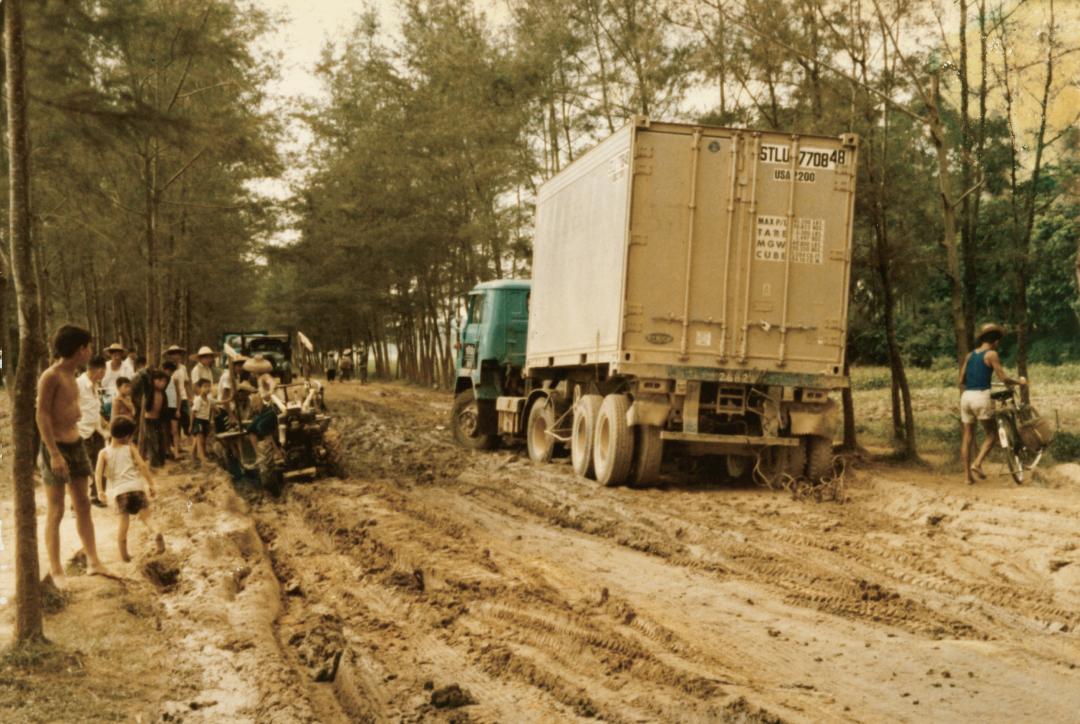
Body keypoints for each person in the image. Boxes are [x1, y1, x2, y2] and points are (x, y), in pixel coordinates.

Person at [36, 325, 109, 582]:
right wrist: (54, 454)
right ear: (80, 350)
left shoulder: (74, 376)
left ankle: (93, 560)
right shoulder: (51, 376)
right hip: (55, 446)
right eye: (88, 347)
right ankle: (56, 569)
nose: (90, 351)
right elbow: (42, 414)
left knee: (83, 505)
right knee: (56, 510)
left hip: (76, 442)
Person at [960, 323, 1028, 485]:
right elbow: (1003, 378)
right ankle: (977, 463)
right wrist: (1020, 381)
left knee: (968, 435)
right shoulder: (991, 354)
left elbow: (961, 380)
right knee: (992, 435)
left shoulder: (970, 355)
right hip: (980, 397)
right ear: (995, 341)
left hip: (966, 397)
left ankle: (967, 477)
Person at [95, 417, 164, 562]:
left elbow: (98, 474)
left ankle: (124, 555)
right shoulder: (130, 449)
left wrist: (100, 490)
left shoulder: (103, 453)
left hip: (120, 492)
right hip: (137, 487)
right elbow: (143, 466)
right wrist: (151, 484)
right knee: (146, 517)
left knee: (123, 522)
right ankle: (157, 533)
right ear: (127, 436)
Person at [77, 355, 110, 508]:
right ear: (99, 370)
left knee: (101, 464)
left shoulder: (95, 386)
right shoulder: (78, 385)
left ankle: (97, 495)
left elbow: (94, 409)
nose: (104, 375)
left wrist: (105, 423)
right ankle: (77, 501)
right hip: (82, 432)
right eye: (103, 372)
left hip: (96, 431)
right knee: (82, 468)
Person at [143, 370, 170, 468]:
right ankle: (154, 463)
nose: (162, 383)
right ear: (154, 381)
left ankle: (161, 461)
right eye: (159, 380)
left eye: (164, 381)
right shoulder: (150, 391)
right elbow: (144, 377)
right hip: (149, 419)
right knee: (152, 440)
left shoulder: (163, 393)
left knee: (161, 440)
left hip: (159, 419)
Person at [166, 345, 191, 443]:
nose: (175, 356)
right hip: (171, 399)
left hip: (183, 397)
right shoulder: (167, 368)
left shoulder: (183, 368)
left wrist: (191, 397)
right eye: (172, 354)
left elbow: (186, 383)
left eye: (177, 353)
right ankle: (176, 446)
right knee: (174, 425)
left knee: (186, 420)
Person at [190, 378, 215, 463]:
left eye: (209, 387)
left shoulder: (209, 400)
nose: (207, 389)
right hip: (198, 420)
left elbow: (217, 403)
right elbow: (193, 412)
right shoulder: (198, 399)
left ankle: (193, 456)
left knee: (200, 440)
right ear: (199, 388)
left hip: (205, 421)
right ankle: (202, 457)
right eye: (205, 386)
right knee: (200, 440)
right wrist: (191, 425)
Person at [101, 343, 126, 415]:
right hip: (106, 395)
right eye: (114, 355)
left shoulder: (127, 367)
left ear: (121, 355)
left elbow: (130, 383)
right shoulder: (105, 366)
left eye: (118, 355)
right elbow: (100, 381)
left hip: (122, 396)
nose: (117, 357)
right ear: (110, 355)